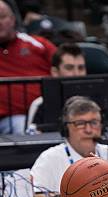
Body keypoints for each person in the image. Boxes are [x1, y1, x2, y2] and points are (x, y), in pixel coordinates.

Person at [30, 96, 108, 197]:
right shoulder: (49, 158)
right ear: (66, 128)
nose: (88, 130)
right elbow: (36, 196)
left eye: (94, 123)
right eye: (80, 123)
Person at [0, 0, 55, 135]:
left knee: (25, 126)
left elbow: (65, 67)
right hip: (8, 119)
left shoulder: (38, 44)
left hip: (36, 115)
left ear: (13, 19)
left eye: (2, 17)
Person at [28, 43, 87, 129]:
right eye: (69, 68)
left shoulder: (100, 100)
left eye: (81, 68)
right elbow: (31, 138)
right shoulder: (40, 104)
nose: (76, 74)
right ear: (55, 72)